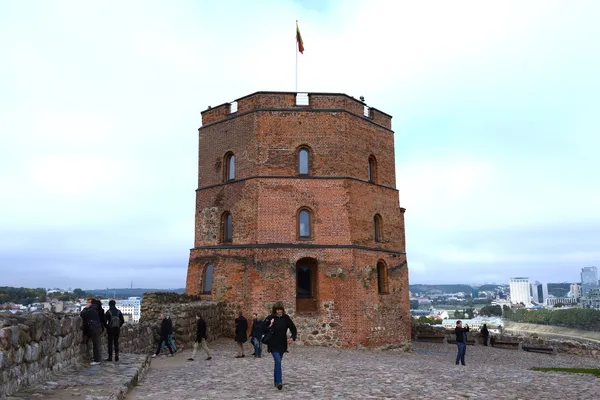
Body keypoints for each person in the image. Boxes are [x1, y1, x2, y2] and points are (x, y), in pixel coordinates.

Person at [264, 302, 297, 390]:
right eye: (277, 310)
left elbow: (293, 328)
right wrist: (269, 326)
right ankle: (279, 382)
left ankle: (276, 381)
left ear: (282, 310)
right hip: (273, 344)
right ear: (275, 310)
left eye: (280, 310)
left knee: (277, 363)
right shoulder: (270, 318)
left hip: (282, 344)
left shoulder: (286, 318)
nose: (279, 311)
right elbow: (262, 328)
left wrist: (292, 337)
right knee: (278, 361)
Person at [80, 298, 103, 365]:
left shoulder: (91, 310)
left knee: (96, 344)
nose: (86, 303)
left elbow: (83, 314)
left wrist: (85, 308)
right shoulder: (95, 308)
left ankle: (97, 360)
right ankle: (97, 358)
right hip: (97, 327)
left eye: (88, 302)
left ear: (91, 303)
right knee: (97, 344)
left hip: (94, 328)